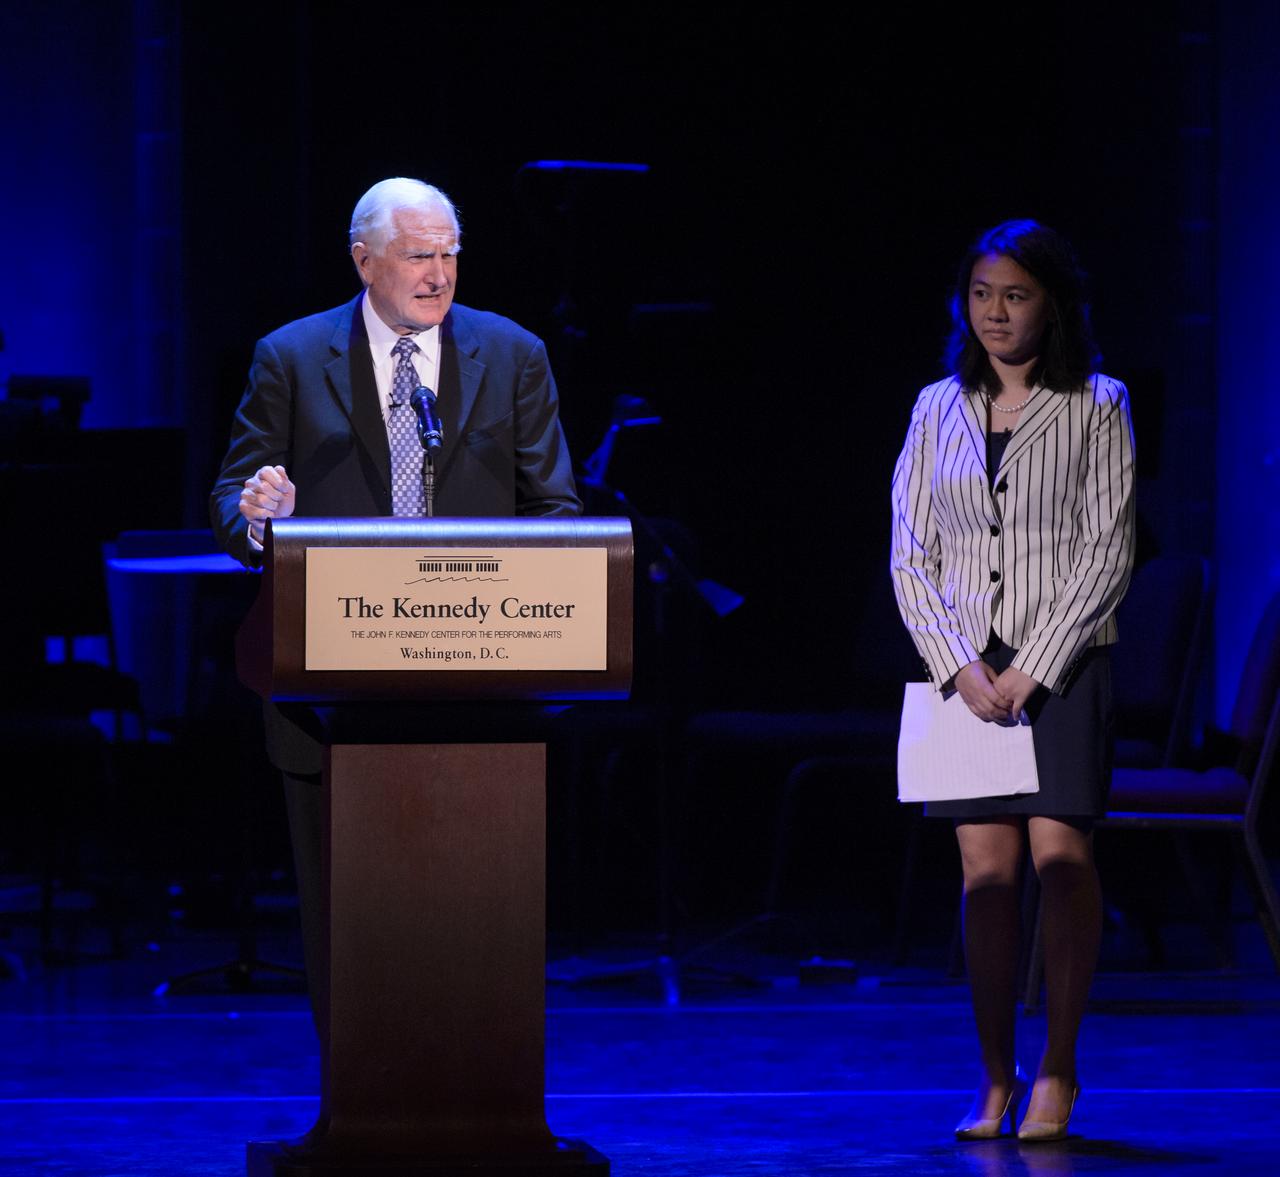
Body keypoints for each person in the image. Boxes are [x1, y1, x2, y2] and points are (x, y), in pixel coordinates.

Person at [209, 176, 581, 1006]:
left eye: (450, 254)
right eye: (419, 256)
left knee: (475, 929)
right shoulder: (293, 357)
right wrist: (259, 513)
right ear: (363, 259)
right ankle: (355, 1117)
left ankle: (485, 1112)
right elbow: (236, 493)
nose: (439, 275)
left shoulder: (513, 353)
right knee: (350, 933)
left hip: (484, 690)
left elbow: (556, 509)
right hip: (330, 694)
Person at [890, 220, 1135, 1142]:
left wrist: (1031, 668)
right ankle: (996, 1076)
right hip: (960, 667)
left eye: (1017, 294)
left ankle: (1059, 1069)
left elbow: (1106, 551)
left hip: (1062, 662)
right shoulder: (933, 406)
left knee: (1060, 860)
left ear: (1053, 302)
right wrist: (961, 663)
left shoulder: (1097, 404)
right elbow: (909, 554)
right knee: (985, 877)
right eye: (983, 293)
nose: (996, 312)